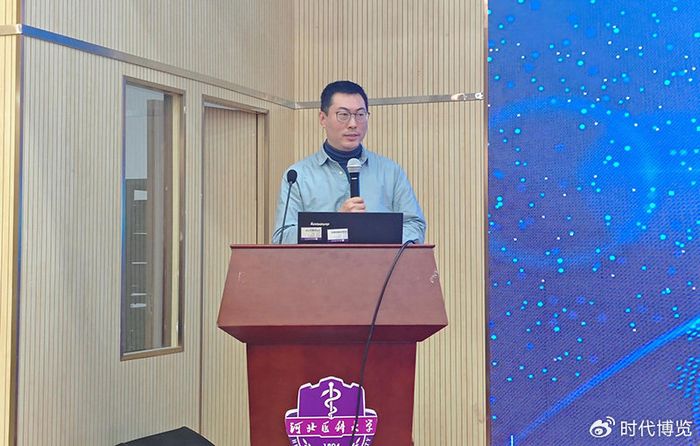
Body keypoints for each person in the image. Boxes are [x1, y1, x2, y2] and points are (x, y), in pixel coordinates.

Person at [271, 80, 426, 244]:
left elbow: (415, 226)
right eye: (343, 115)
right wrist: (336, 224)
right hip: (321, 261)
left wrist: (373, 235)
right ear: (323, 118)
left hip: (379, 261)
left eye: (360, 115)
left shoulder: (390, 172)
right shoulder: (298, 176)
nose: (353, 124)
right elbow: (282, 237)